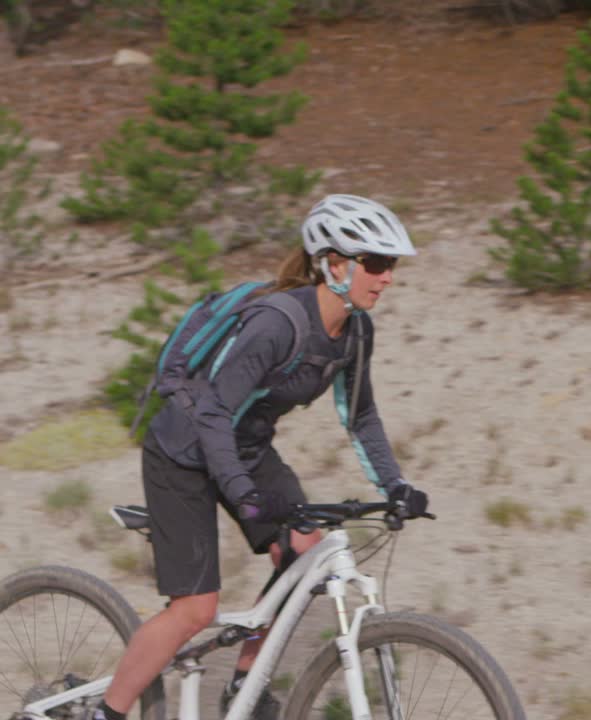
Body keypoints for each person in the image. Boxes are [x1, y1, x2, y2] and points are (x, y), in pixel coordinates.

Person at [93, 194, 430, 720]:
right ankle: (107, 711)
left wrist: (396, 486)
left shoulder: (356, 332)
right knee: (194, 610)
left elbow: (360, 416)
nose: (388, 278)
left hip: (244, 447)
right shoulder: (277, 324)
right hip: (183, 450)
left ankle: (245, 688)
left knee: (305, 550)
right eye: (377, 263)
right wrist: (239, 489)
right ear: (332, 263)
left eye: (392, 265)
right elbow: (211, 413)